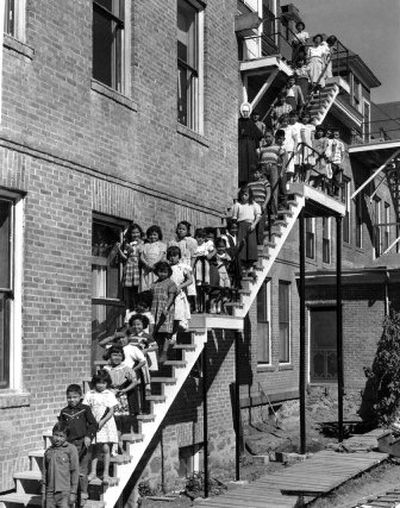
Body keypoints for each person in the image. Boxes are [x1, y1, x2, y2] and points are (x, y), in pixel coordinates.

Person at [58, 385, 97, 507]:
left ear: (81, 397)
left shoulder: (85, 409)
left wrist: (89, 436)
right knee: (69, 470)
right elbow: (61, 429)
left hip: (83, 444)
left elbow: (93, 424)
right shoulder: (64, 412)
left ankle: (83, 494)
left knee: (82, 470)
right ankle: (70, 494)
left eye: (75, 397)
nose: (72, 400)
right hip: (69, 445)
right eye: (69, 397)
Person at [83, 370, 119, 485]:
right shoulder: (90, 394)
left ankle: (106, 474)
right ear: (95, 382)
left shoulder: (109, 394)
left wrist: (102, 422)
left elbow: (111, 410)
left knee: (105, 448)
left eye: (103, 382)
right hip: (93, 424)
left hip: (106, 424)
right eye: (98, 382)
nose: (101, 385)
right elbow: (86, 409)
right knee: (94, 448)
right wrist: (92, 423)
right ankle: (93, 472)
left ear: (107, 383)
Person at [42, 422, 80, 508]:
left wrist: (73, 492)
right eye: (56, 435)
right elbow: (44, 473)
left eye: (61, 436)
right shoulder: (48, 451)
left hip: (65, 492)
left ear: (66, 437)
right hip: (50, 493)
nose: (58, 439)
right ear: (52, 435)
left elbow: (75, 471)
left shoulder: (71, 449)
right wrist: (44, 493)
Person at [150, 261, 178, 364]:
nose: (162, 274)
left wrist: (166, 308)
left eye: (165, 272)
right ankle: (155, 353)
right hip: (154, 309)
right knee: (155, 332)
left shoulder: (170, 283)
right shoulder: (154, 284)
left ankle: (164, 353)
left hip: (166, 309)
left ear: (169, 272)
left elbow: (171, 297)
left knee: (166, 332)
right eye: (160, 272)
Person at [168, 221, 198, 311]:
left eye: (183, 229)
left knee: (189, 287)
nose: (181, 231)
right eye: (179, 229)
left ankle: (191, 306)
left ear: (187, 231)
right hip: (176, 265)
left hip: (186, 265)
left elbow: (194, 256)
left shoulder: (191, 241)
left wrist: (191, 267)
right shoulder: (173, 242)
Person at [231, 186, 261, 275]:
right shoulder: (237, 205)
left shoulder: (254, 205)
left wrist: (254, 225)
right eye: (242, 195)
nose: (244, 197)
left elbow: (258, 216)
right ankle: (243, 268)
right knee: (242, 246)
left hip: (250, 226)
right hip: (241, 225)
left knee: (251, 246)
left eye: (246, 195)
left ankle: (250, 267)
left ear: (249, 195)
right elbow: (234, 218)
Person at [103, 345, 139, 418]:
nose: (117, 358)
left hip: (121, 395)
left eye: (119, 356)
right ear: (110, 356)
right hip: (108, 395)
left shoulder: (126, 369)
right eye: (114, 355)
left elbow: (134, 382)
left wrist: (125, 390)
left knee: (122, 417)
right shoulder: (105, 369)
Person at [257, 129, 286, 218]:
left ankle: (274, 213)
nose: (267, 139)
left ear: (273, 137)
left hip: (273, 167)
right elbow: (257, 155)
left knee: (274, 190)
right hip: (263, 168)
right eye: (266, 137)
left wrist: (282, 171)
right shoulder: (262, 148)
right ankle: (264, 212)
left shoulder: (277, 147)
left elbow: (284, 158)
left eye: (269, 137)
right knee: (264, 189)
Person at [116, 223, 144, 312]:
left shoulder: (143, 243)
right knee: (130, 291)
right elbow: (125, 257)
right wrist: (119, 250)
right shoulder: (129, 244)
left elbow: (142, 256)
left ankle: (138, 308)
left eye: (137, 232)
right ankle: (130, 308)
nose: (135, 235)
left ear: (140, 233)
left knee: (138, 290)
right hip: (129, 267)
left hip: (137, 267)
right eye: (133, 233)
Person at [167, 245, 192, 334]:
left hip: (178, 294)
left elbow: (190, 280)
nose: (172, 258)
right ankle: (170, 335)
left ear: (179, 256)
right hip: (168, 293)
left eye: (175, 255)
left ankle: (175, 335)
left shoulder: (182, 267)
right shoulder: (167, 267)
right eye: (170, 256)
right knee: (170, 315)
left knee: (178, 315)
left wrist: (180, 286)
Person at [238, 102, 263, 186]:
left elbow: (258, 135)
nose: (245, 113)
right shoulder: (239, 122)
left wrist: (256, 147)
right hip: (241, 145)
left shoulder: (251, 123)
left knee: (250, 163)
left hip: (250, 147)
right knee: (242, 164)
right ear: (241, 112)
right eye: (244, 111)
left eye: (247, 111)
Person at [247, 165, 271, 244]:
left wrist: (265, 204)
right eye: (254, 173)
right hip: (252, 207)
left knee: (260, 227)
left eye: (256, 173)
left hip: (261, 206)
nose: (255, 175)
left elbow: (269, 193)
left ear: (261, 174)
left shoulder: (265, 182)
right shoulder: (249, 184)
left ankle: (259, 244)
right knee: (252, 227)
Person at [209, 237, 232, 313]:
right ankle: (212, 306)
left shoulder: (226, 255)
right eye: (219, 247)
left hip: (225, 275)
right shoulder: (215, 256)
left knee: (222, 292)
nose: (221, 249)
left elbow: (229, 263)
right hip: (217, 276)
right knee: (215, 292)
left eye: (223, 247)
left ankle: (219, 306)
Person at [140, 225, 167, 291]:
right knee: (146, 285)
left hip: (156, 267)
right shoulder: (145, 245)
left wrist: (153, 263)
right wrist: (147, 264)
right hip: (146, 268)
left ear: (159, 235)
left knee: (155, 284)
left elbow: (160, 256)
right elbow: (141, 257)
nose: (152, 237)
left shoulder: (162, 245)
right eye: (150, 235)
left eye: (155, 235)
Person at [327, 128, 345, 195]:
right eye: (334, 134)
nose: (335, 135)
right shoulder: (330, 141)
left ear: (339, 135)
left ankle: (336, 192)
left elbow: (343, 154)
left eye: (337, 134)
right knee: (330, 176)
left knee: (337, 178)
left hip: (338, 162)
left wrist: (341, 163)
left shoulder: (341, 144)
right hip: (331, 161)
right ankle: (330, 191)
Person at [299, 112, 316, 182]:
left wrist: (313, 147)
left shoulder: (311, 127)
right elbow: (302, 135)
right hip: (302, 144)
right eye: (304, 117)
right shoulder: (300, 125)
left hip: (309, 144)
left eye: (307, 117)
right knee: (301, 162)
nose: (305, 119)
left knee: (309, 163)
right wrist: (304, 142)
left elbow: (312, 138)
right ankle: (300, 178)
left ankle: (307, 179)